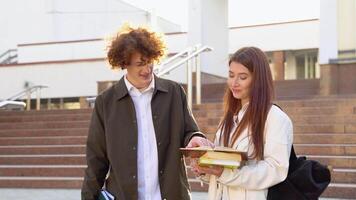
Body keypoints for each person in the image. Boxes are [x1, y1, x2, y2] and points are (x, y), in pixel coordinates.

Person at [81, 25, 212, 200]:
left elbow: (189, 131)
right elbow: (96, 159)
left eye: (149, 61)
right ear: (124, 63)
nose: (147, 69)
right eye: (140, 64)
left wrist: (195, 137)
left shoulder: (174, 92)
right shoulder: (106, 102)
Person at [191, 47, 293, 200]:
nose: (234, 83)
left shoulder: (275, 118)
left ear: (258, 79)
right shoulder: (230, 117)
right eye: (231, 75)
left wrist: (225, 173)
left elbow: (275, 169)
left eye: (243, 77)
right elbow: (221, 170)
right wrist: (205, 168)